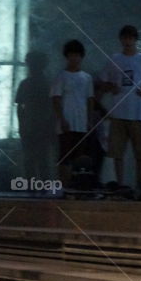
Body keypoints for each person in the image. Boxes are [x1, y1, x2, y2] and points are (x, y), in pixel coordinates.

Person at [97, 25, 141, 186]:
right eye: (125, 38)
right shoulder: (115, 59)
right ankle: (120, 184)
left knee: (140, 153)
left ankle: (139, 184)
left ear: (135, 40)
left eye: (130, 38)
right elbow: (102, 81)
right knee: (117, 152)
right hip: (119, 112)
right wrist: (110, 87)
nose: (127, 41)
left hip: (138, 113)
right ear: (121, 40)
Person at [51, 40, 95, 185]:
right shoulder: (61, 76)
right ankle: (63, 184)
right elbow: (56, 99)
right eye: (71, 55)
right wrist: (62, 119)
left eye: (77, 55)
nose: (74, 58)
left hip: (81, 122)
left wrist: (89, 120)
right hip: (66, 122)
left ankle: (76, 185)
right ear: (67, 56)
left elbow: (90, 99)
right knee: (65, 154)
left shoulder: (87, 78)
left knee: (79, 155)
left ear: (81, 56)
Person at [15, 51, 54, 181]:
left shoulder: (44, 84)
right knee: (36, 160)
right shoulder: (40, 84)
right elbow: (20, 107)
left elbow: (52, 108)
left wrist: (22, 125)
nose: (31, 67)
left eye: (33, 64)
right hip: (33, 126)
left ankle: (36, 190)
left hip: (37, 126)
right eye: (31, 64)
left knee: (36, 161)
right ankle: (36, 191)